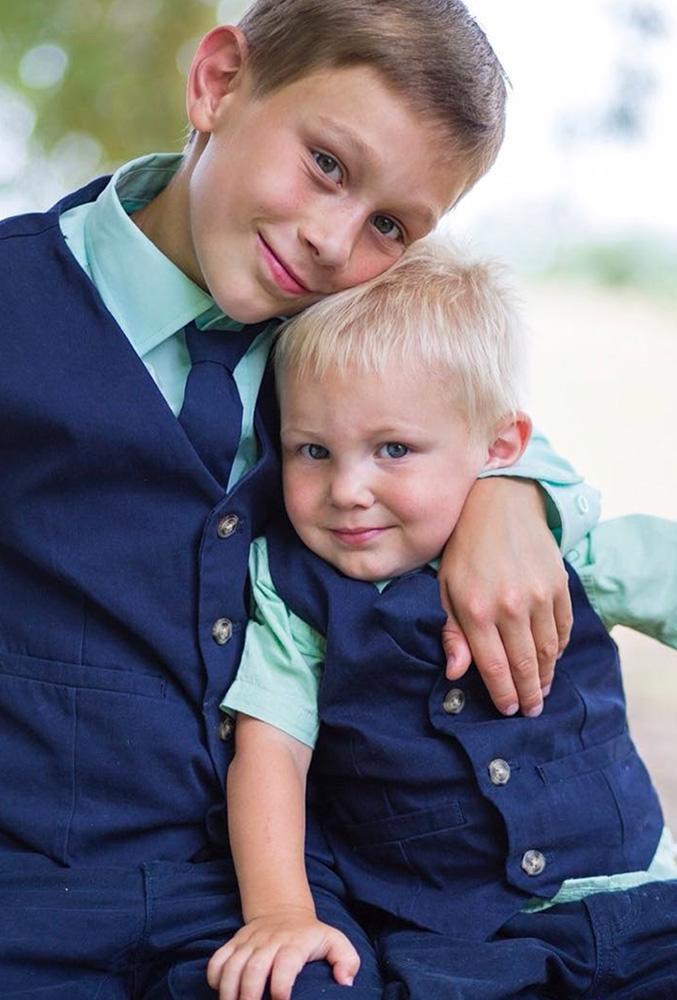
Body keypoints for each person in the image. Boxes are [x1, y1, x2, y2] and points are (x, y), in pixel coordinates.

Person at [0, 2, 600, 996]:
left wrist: (508, 493)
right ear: (218, 83)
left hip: (251, 902)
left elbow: (484, 442)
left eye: (388, 226)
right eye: (326, 162)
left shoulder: (337, 356)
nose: (331, 240)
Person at [214, 240, 677, 1000]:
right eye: (312, 450)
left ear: (498, 448)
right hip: (450, 940)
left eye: (393, 448)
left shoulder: (554, 549)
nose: (348, 488)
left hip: (633, 895)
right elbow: (272, 751)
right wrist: (280, 912)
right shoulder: (293, 592)